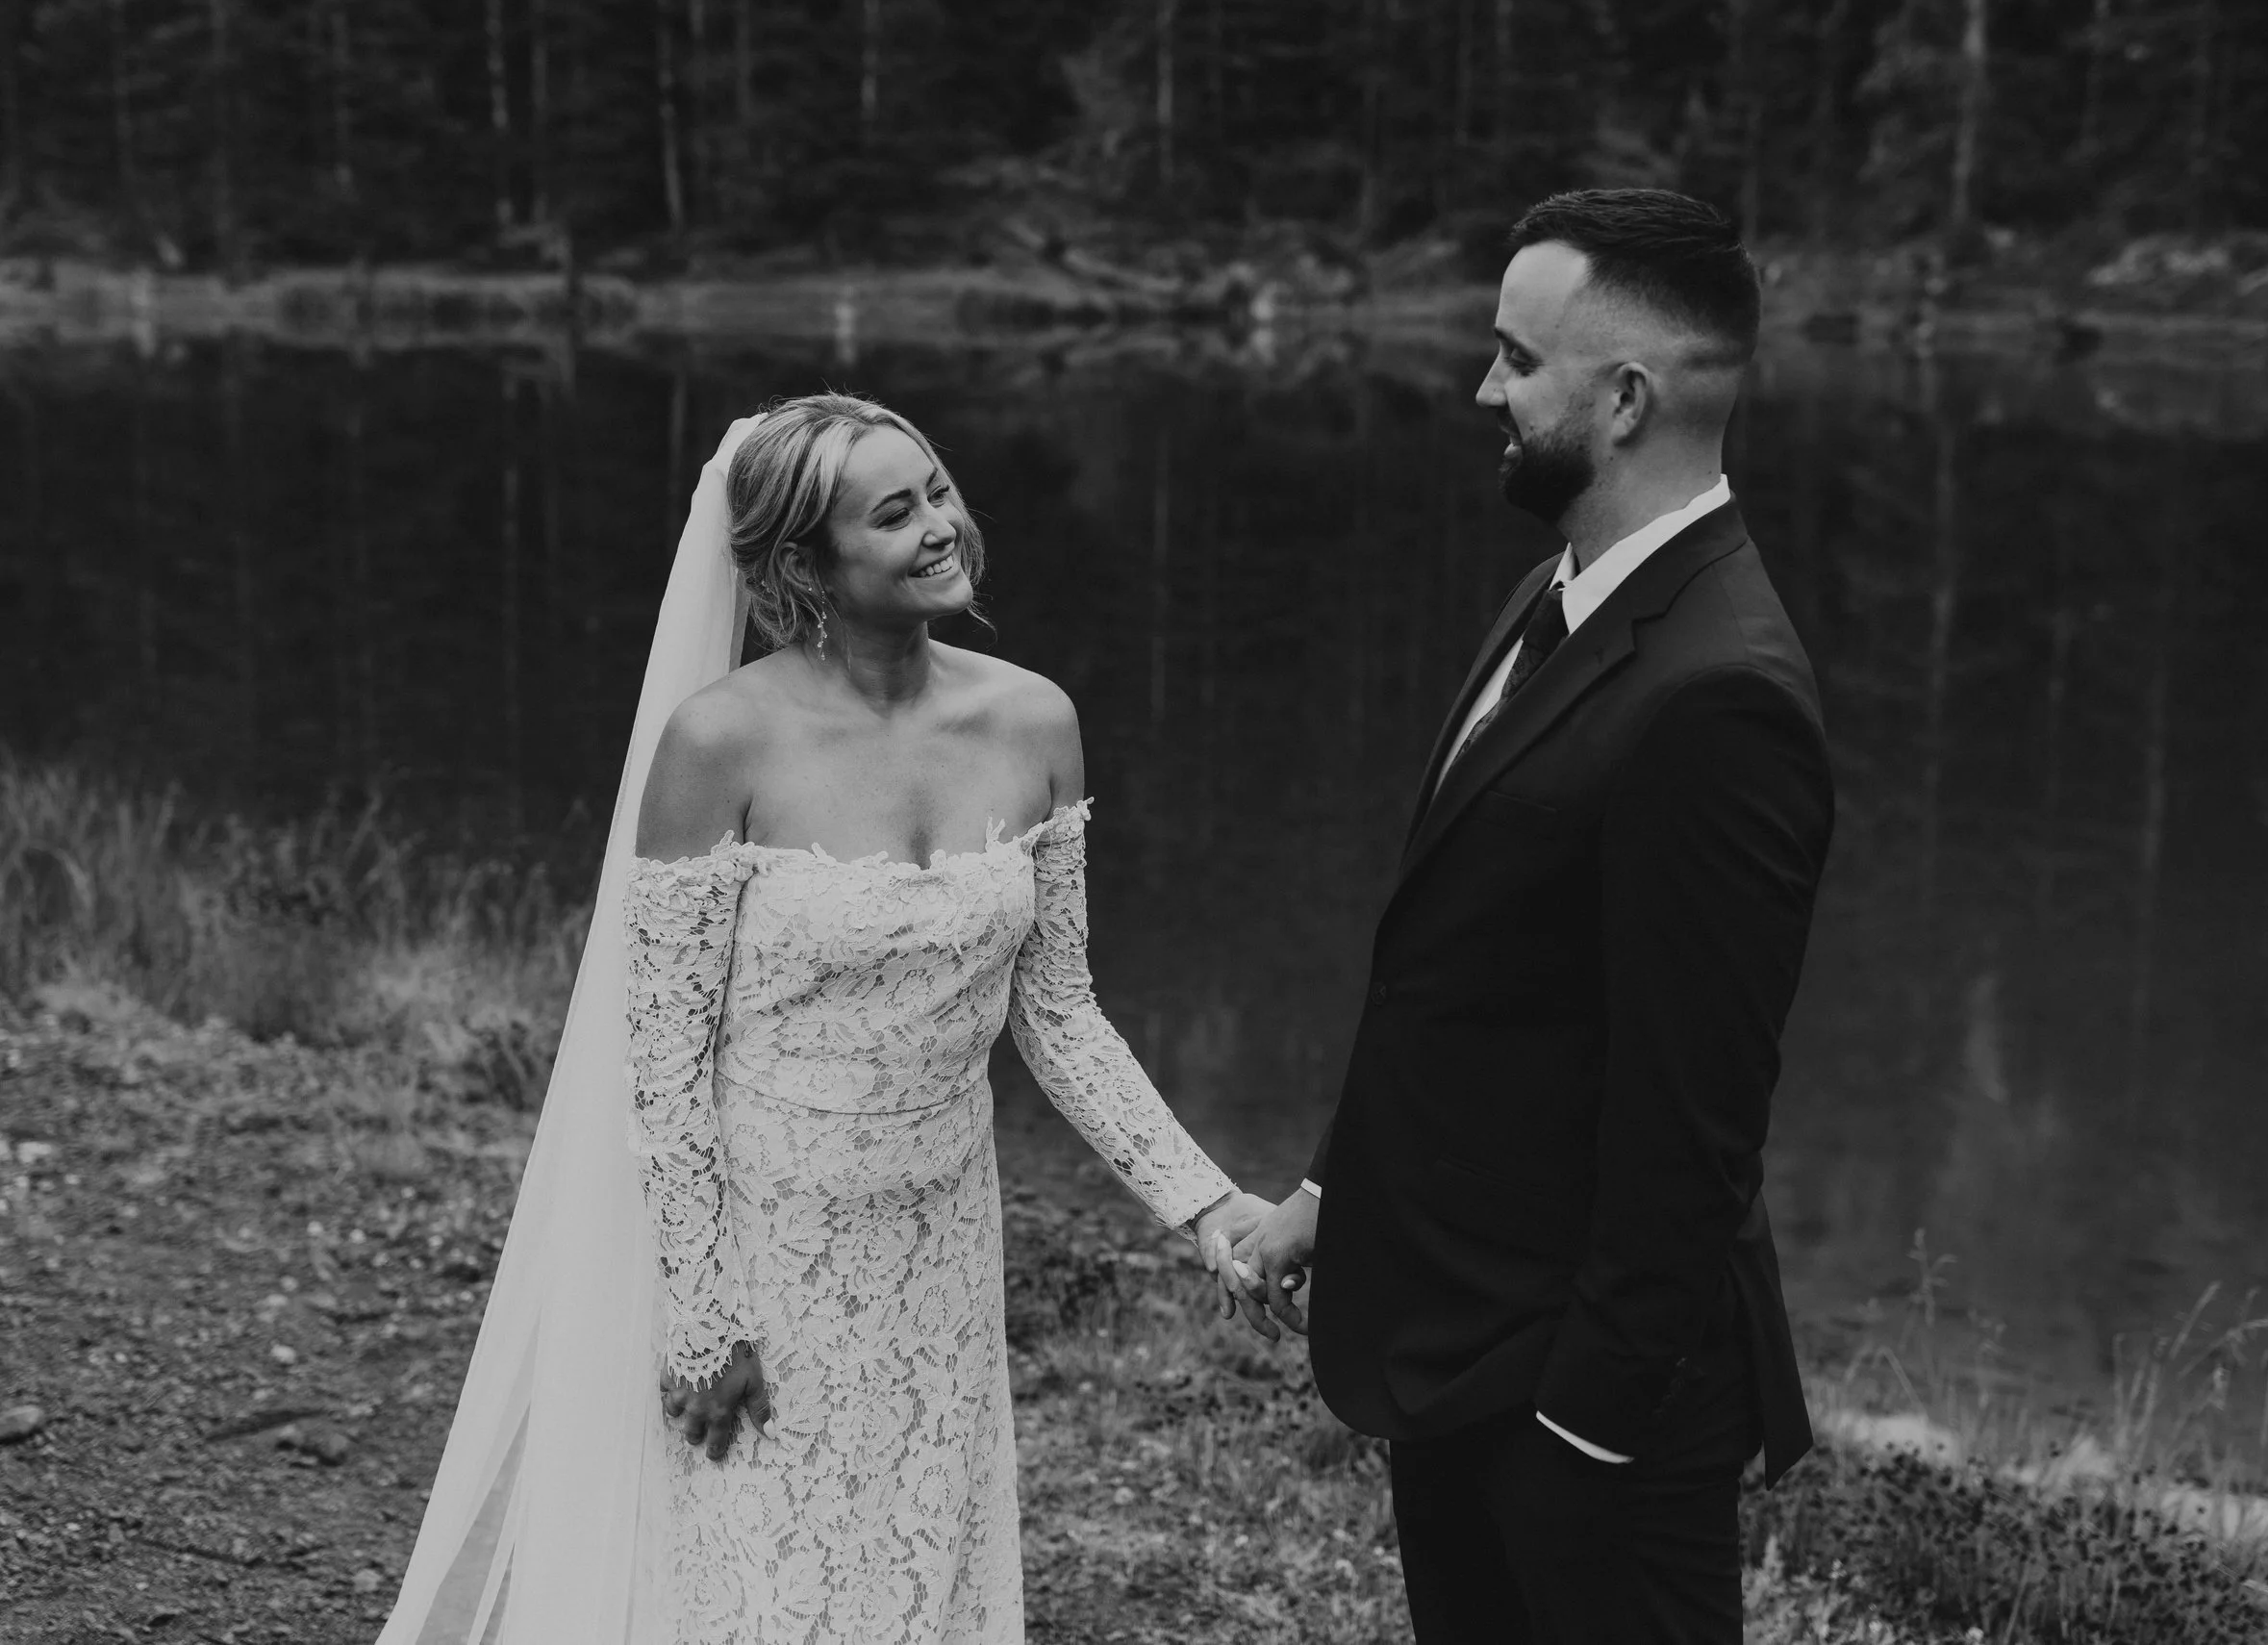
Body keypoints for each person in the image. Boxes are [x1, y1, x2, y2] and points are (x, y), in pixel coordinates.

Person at [378, 393, 1273, 1645]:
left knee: (915, 1574)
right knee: (759, 1585)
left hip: (938, 1240)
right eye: (893, 512)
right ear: (802, 562)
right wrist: (699, 1311)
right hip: (760, 1240)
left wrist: (1210, 1205)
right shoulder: (719, 742)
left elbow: (1060, 1013)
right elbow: (668, 1058)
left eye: (940, 491)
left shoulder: (1037, 720)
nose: (940, 527)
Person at [1224, 189, 1833, 1644]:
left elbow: (1695, 1116)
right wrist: (1337, 1188)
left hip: (1585, 1403)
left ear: (1623, 399)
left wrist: (1587, 1433)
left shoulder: (1722, 694)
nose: (1480, 387)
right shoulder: (1561, 588)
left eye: (1514, 356)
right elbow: (1462, 968)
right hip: (1463, 1342)